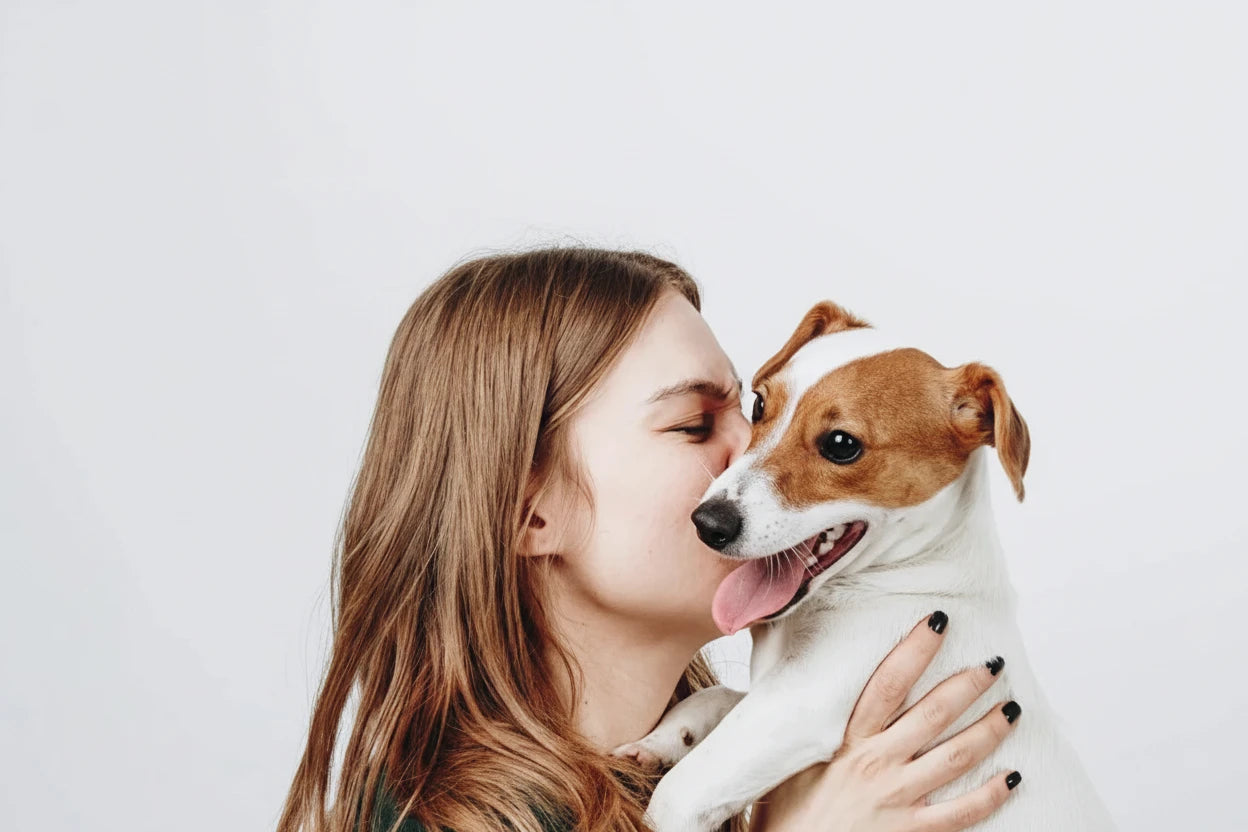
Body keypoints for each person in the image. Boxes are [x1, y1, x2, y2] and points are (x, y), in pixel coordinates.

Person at [278, 248, 1023, 832]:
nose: (752, 457)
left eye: (754, 409)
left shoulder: (711, 779)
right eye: (695, 425)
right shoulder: (435, 822)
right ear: (530, 514)